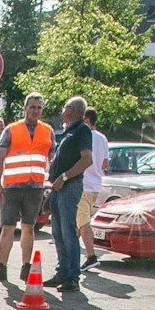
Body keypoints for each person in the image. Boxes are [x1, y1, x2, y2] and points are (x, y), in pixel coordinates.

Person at [0, 92, 52, 283]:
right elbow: (0, 159)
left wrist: (51, 184)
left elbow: (52, 158)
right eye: (32, 107)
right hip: (12, 187)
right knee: (8, 226)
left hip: (35, 187)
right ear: (25, 108)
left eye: (39, 108)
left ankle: (26, 267)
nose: (36, 111)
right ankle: (2, 267)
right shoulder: (12, 129)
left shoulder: (47, 130)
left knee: (29, 227)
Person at [44, 96, 93, 292]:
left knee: (68, 231)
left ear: (72, 110)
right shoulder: (67, 131)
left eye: (64, 107)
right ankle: (62, 271)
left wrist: (64, 177)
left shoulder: (82, 130)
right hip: (57, 188)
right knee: (57, 232)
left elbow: (87, 159)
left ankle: (72, 276)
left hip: (69, 187)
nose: (62, 111)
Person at [76, 105, 109, 271]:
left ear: (86, 120)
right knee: (77, 222)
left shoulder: (84, 135)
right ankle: (70, 256)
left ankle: (91, 256)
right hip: (96, 185)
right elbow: (105, 163)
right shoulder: (103, 138)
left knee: (83, 223)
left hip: (83, 185)